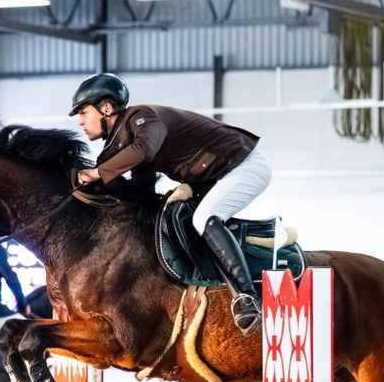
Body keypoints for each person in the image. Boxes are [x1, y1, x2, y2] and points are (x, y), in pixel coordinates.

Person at [70, 72, 272, 335]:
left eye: (84, 113)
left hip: (245, 165)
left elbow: (144, 149)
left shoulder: (142, 117)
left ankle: (248, 297)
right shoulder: (119, 144)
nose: (80, 122)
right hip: (218, 176)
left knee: (204, 218)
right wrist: (97, 184)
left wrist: (98, 173)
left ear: (106, 108)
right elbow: (141, 190)